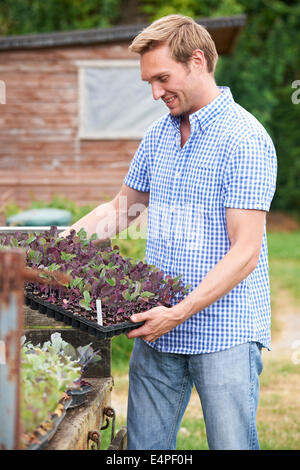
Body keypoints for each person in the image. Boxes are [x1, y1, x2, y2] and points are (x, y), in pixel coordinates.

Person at [62, 15, 277, 450]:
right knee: (144, 448)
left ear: (197, 61)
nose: (156, 92)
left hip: (224, 332)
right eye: (149, 83)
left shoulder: (244, 139)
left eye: (163, 78)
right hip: (156, 328)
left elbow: (245, 253)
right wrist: (51, 248)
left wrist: (178, 312)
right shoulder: (158, 135)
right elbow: (121, 209)